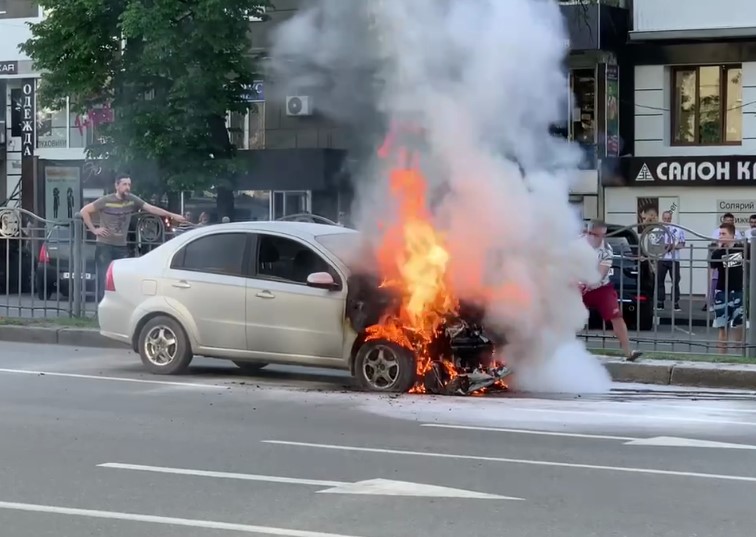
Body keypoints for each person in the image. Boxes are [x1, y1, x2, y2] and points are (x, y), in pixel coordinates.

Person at [80, 174, 186, 300]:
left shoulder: (131, 199)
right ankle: (102, 307)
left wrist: (172, 215)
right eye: (124, 184)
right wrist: (94, 229)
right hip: (105, 245)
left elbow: (151, 208)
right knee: (104, 277)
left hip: (121, 245)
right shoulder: (106, 200)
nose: (127, 187)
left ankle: (117, 307)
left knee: (120, 278)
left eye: (129, 184)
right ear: (117, 186)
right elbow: (84, 211)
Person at [580, 220, 643, 362]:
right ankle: (562, 351)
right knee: (567, 318)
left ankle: (628, 352)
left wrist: (590, 283)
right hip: (576, 287)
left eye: (603, 235)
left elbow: (602, 272)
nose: (600, 239)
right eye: (597, 235)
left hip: (600, 288)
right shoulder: (575, 244)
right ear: (588, 233)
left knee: (616, 316)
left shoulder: (607, 249)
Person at [710, 223, 748, 354]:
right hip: (722, 292)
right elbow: (711, 269)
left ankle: (738, 353)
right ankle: (722, 356)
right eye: (720, 234)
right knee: (722, 326)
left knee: (739, 325)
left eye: (723, 234)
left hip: (737, 291)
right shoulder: (717, 253)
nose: (721, 236)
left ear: (732, 235)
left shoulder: (742, 249)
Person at [656, 211, 685, 311]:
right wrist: (663, 247)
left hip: (674, 259)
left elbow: (682, 244)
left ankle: (675, 303)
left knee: (675, 281)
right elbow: (654, 245)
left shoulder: (678, 228)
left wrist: (673, 246)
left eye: (669, 218)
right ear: (662, 218)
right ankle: (660, 303)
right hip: (661, 259)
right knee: (660, 281)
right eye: (665, 219)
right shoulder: (657, 229)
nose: (667, 221)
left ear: (671, 218)